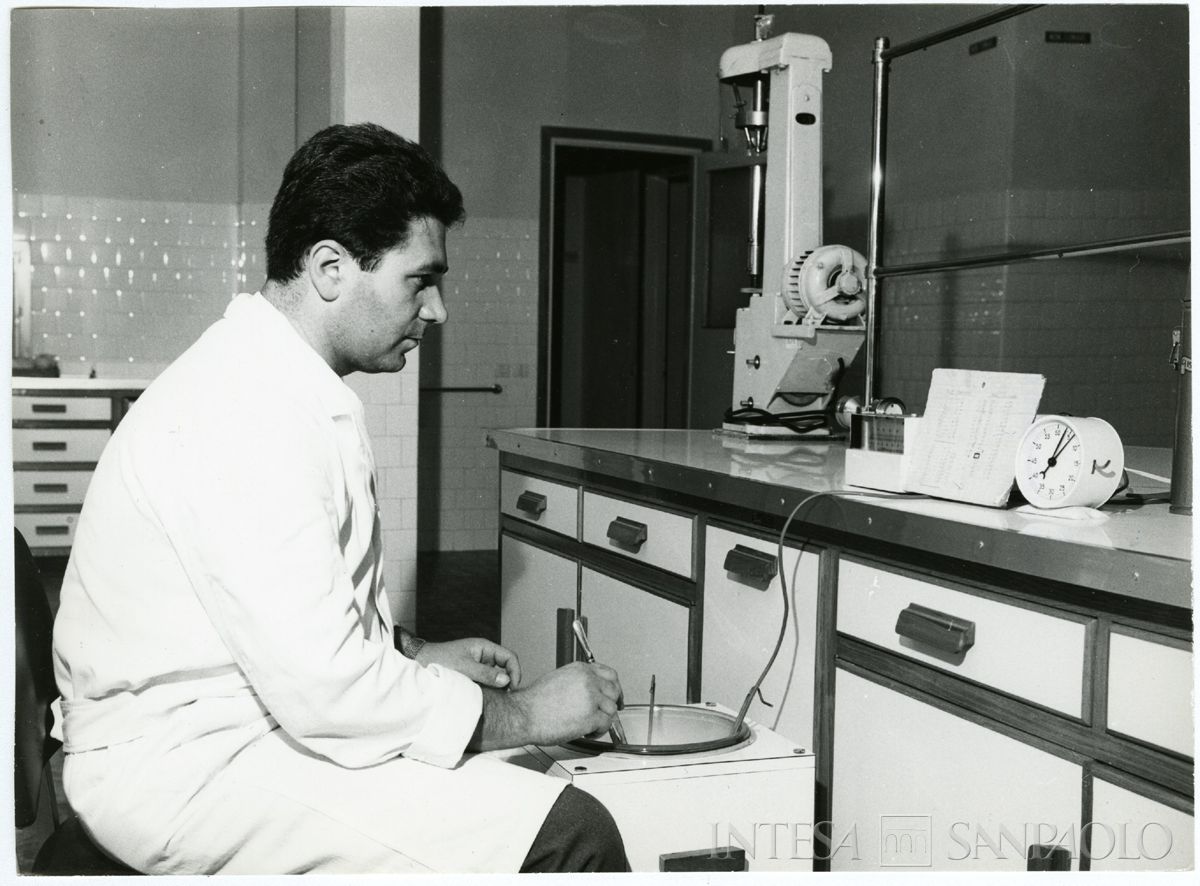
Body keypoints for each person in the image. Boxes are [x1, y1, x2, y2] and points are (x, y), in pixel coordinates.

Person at [50, 122, 629, 874]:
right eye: (420, 280)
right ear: (330, 267)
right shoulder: (245, 409)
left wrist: (413, 654)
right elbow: (327, 691)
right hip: (187, 770)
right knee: (570, 830)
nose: (438, 311)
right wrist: (529, 713)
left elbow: (290, 612)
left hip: (241, 722)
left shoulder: (275, 382)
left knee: (504, 786)